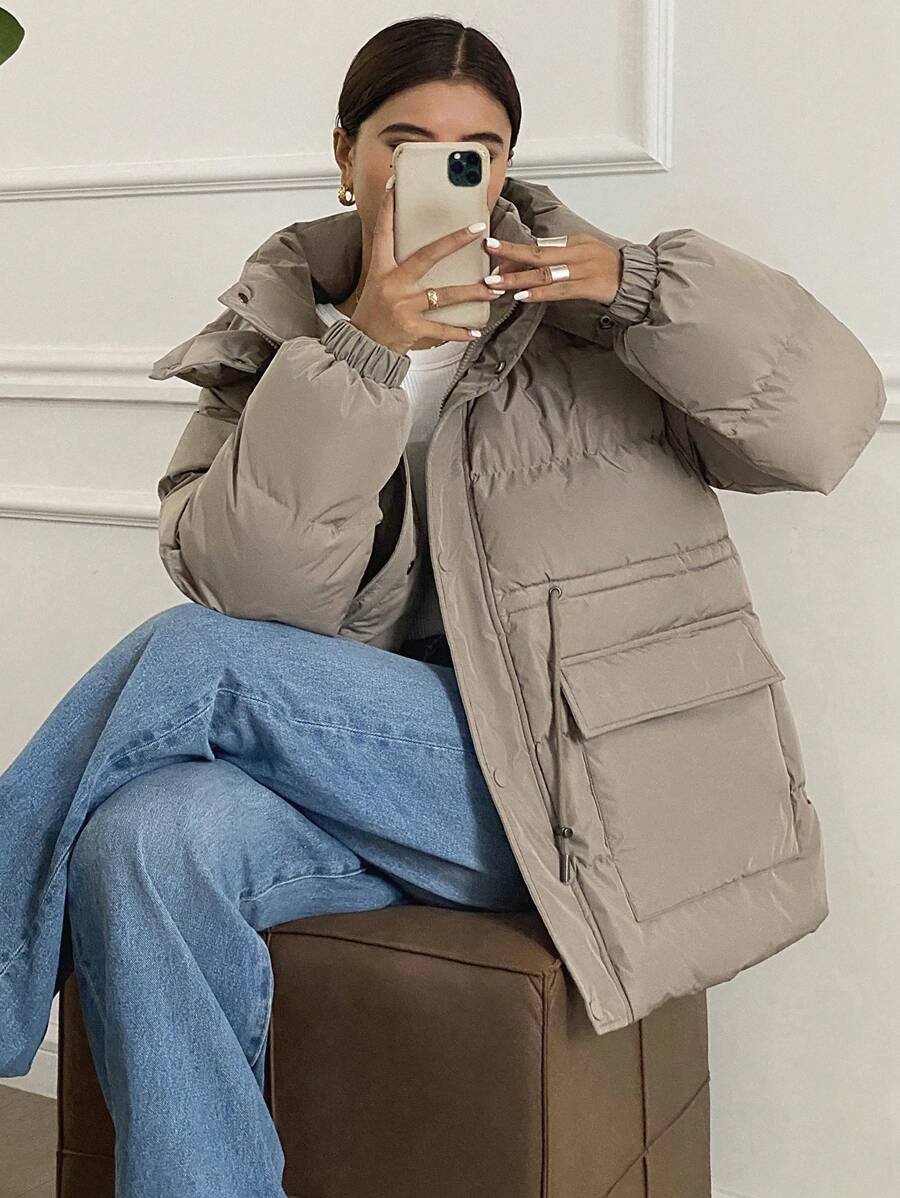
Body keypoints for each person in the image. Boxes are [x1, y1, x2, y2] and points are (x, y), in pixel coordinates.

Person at [0, 15, 886, 1198]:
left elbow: (826, 427)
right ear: (347, 154)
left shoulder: (602, 322)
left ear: (508, 164)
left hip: (576, 791)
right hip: (370, 778)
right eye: (405, 142)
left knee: (196, 658)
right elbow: (255, 598)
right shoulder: (278, 338)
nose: (447, 171)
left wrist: (635, 284)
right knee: (141, 840)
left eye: (480, 149)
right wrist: (358, 358)